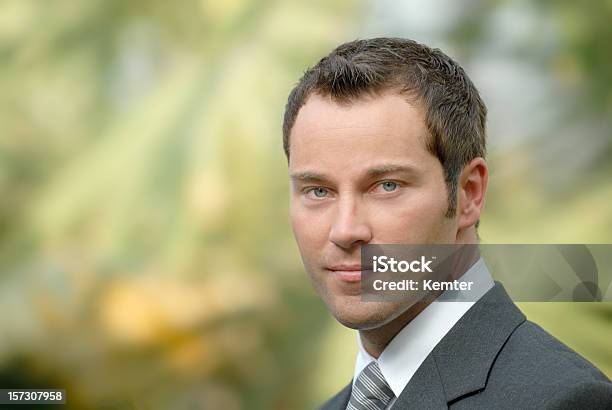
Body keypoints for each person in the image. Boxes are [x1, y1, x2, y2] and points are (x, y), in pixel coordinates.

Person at [282, 37, 612, 409]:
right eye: (318, 191)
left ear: (469, 193)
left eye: (386, 186)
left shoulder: (561, 400)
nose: (345, 230)